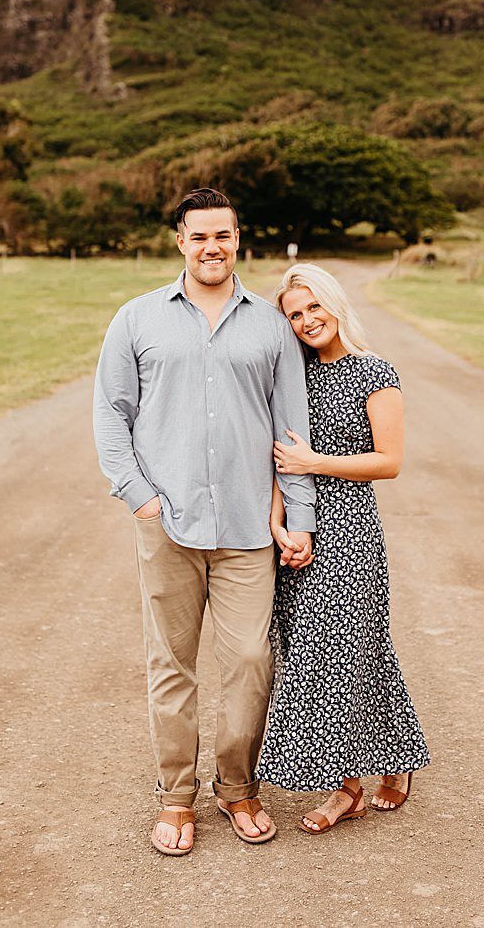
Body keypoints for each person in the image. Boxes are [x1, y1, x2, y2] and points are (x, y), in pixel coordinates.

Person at [93, 187, 317, 857]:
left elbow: (291, 427)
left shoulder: (271, 326)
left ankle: (239, 788)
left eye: (223, 235)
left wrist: (298, 514)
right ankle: (176, 798)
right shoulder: (136, 319)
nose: (211, 247)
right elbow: (111, 413)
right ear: (180, 241)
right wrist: (139, 495)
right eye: (199, 236)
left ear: (238, 238)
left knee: (250, 660)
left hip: (251, 528)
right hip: (168, 523)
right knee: (172, 665)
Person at [256, 261, 430, 834]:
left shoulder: (373, 372)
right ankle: (396, 760)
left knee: (339, 658)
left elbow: (390, 461)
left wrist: (317, 463)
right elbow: (279, 462)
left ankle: (346, 787)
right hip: (300, 534)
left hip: (352, 531)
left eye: (314, 307)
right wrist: (279, 524)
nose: (307, 320)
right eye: (295, 314)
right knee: (342, 656)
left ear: (335, 304)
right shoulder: (293, 378)